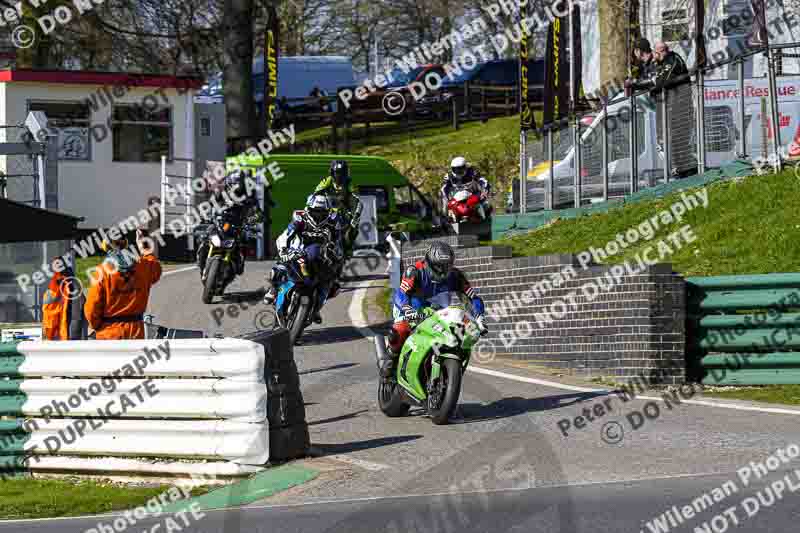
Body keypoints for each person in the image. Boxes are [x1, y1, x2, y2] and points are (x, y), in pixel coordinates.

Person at [381, 241, 487, 378]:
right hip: (411, 309)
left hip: (438, 313)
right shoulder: (414, 271)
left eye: (447, 267)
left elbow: (473, 298)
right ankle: (391, 358)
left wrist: (479, 317)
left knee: (459, 335)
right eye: (439, 267)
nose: (443, 272)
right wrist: (407, 309)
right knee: (400, 330)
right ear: (429, 262)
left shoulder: (455, 276)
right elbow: (401, 293)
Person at [263, 193, 345, 324]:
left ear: (328, 211)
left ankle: (316, 308)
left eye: (321, 212)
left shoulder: (333, 222)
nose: (318, 215)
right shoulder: (300, 218)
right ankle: (273, 289)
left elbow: (339, 244)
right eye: (315, 211)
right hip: (296, 250)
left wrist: (337, 259)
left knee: (333, 285)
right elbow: (286, 234)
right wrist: (284, 250)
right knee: (277, 270)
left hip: (319, 256)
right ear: (308, 209)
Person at [630, 41, 695, 177]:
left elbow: (660, 80)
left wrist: (638, 84)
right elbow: (651, 81)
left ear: (664, 51)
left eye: (659, 52)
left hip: (678, 104)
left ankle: (687, 169)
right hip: (665, 105)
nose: (656, 55)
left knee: (676, 138)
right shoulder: (657, 63)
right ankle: (678, 169)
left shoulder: (672, 59)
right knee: (665, 140)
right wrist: (637, 83)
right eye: (656, 52)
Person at [84, 230, 161, 340]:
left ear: (105, 246)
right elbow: (156, 268)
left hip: (108, 334)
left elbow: (91, 309)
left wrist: (96, 326)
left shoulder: (101, 273)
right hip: (136, 332)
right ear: (125, 244)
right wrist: (144, 249)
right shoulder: (144, 266)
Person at [196, 169, 264, 279]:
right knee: (205, 237)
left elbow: (258, 212)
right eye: (232, 184)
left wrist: (253, 220)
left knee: (245, 241)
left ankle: (238, 263)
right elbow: (210, 204)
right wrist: (204, 214)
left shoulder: (249, 196)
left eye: (236, 184)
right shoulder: (222, 194)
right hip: (222, 223)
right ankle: (202, 264)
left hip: (239, 226)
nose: (234, 187)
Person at [314, 160, 362, 256]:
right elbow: (316, 192)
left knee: (354, 227)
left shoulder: (349, 183)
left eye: (342, 173)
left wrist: (355, 214)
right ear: (332, 172)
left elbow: (357, 198)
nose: (339, 176)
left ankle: (348, 247)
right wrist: (315, 198)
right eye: (337, 173)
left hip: (344, 210)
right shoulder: (328, 180)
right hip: (327, 209)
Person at [42, 256, 80, 340]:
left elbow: (49, 315)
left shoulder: (55, 285)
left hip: (61, 335)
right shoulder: (75, 283)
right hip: (71, 333)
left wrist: (48, 336)